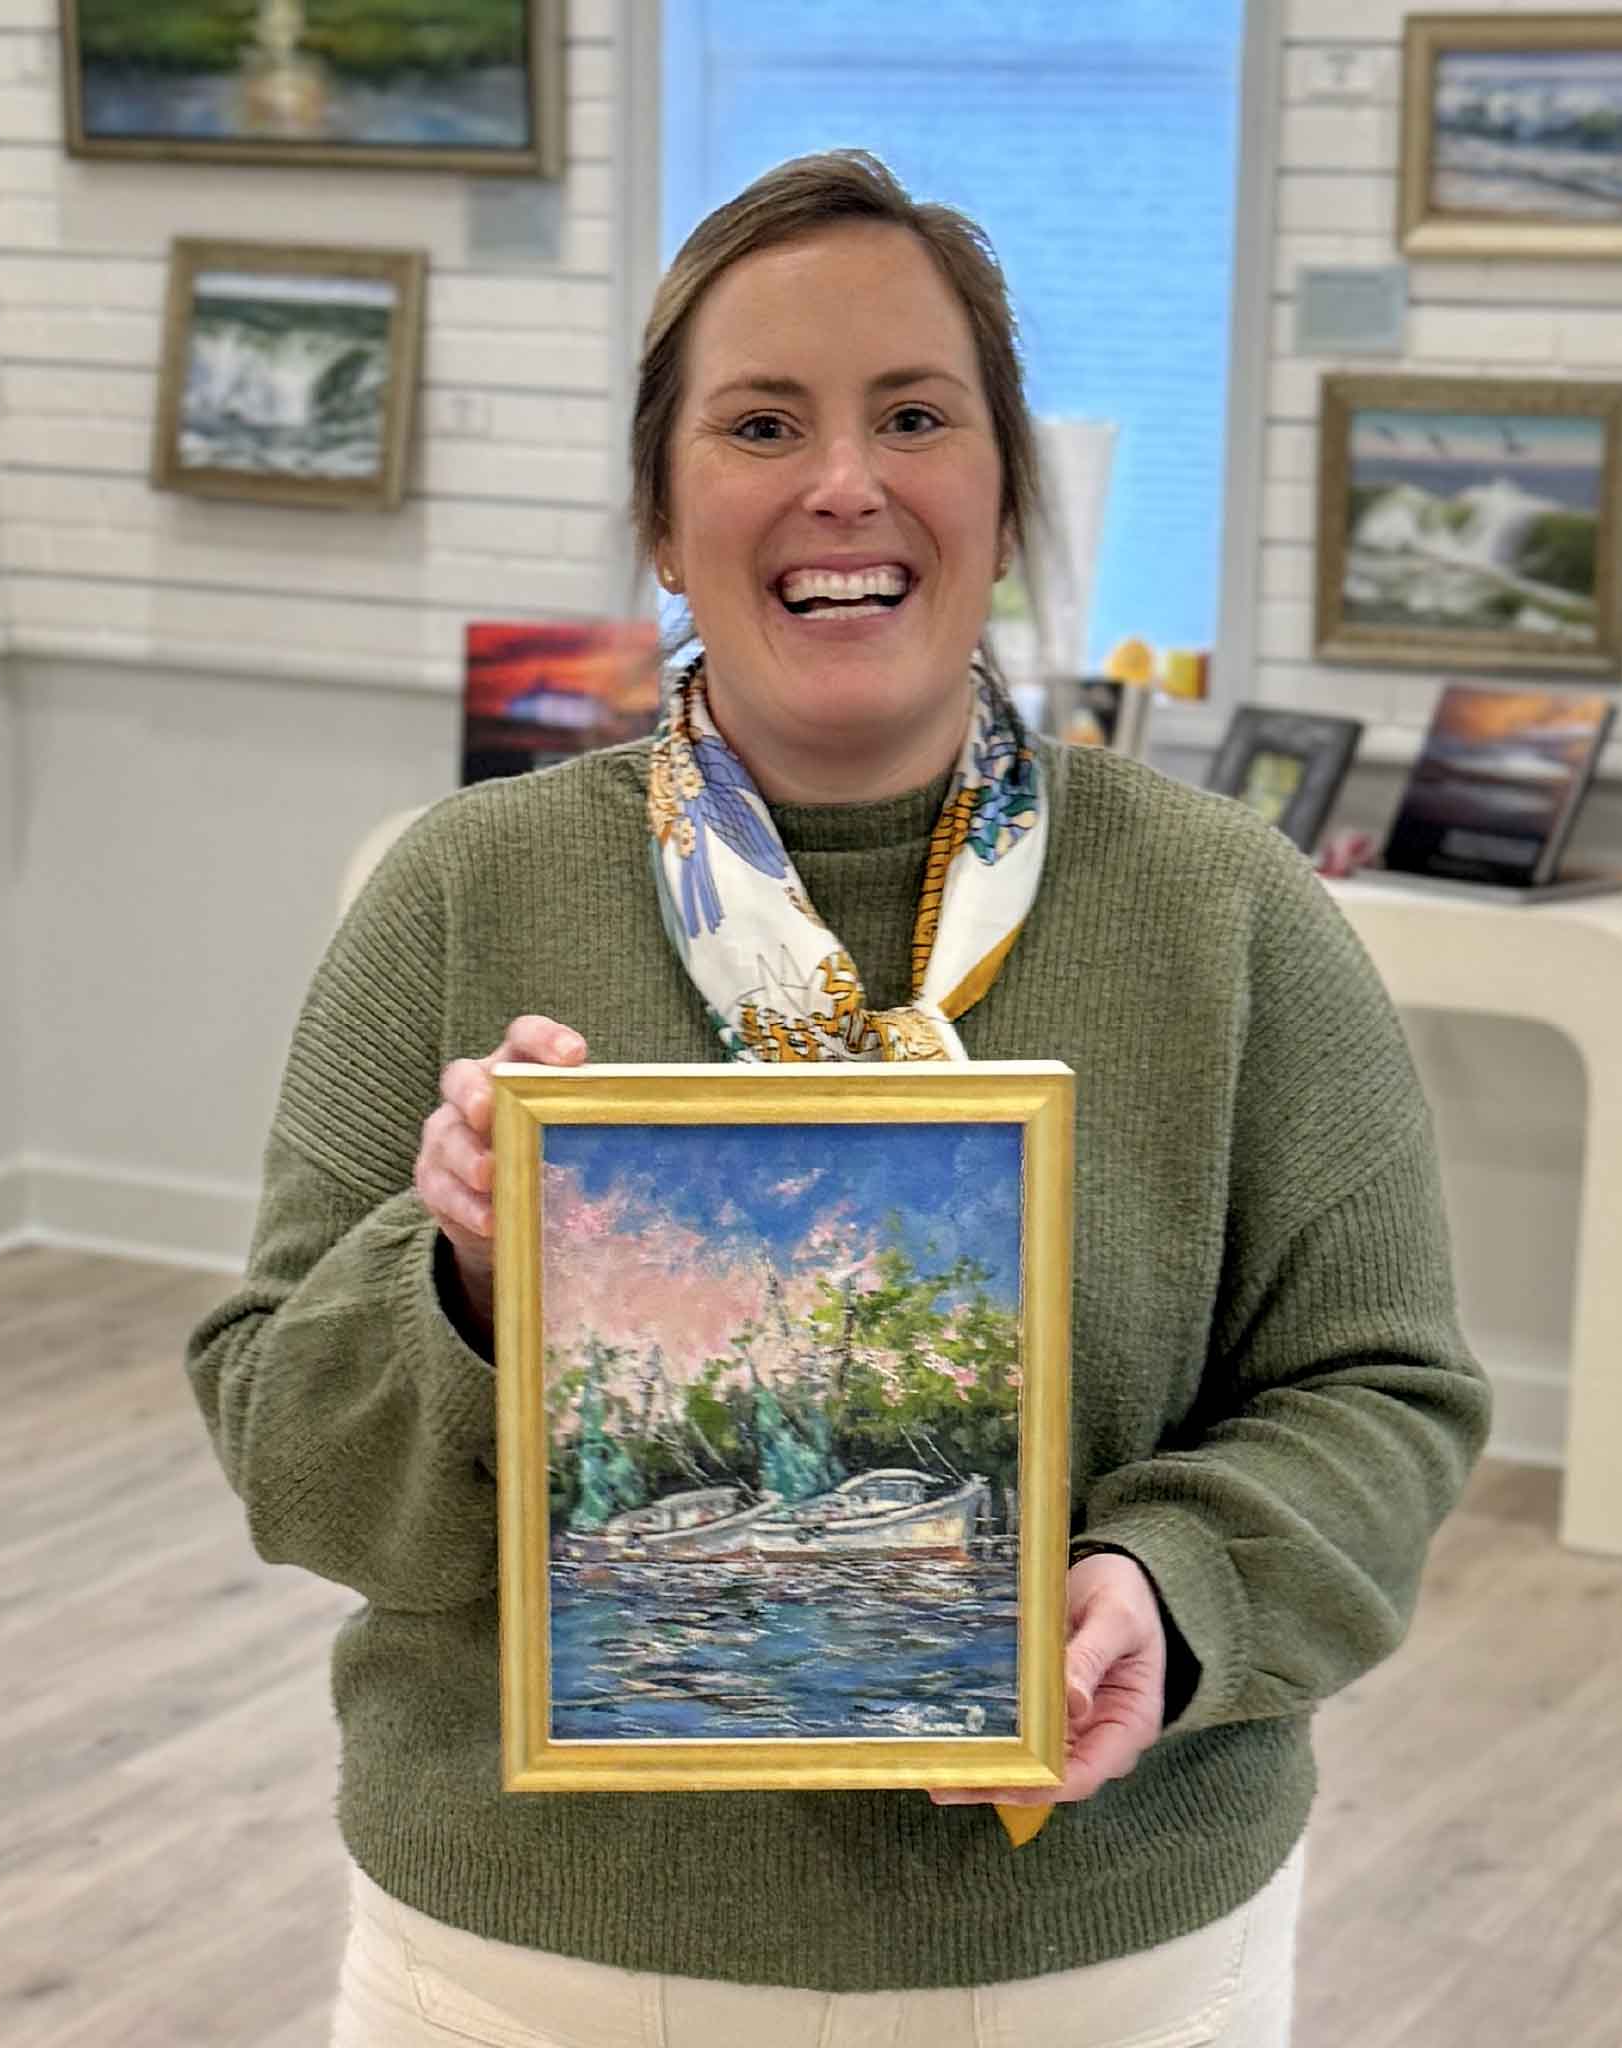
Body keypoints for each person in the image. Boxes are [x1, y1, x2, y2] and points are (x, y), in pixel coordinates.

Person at [185, 149, 1490, 2047]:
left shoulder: (1230, 912)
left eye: (916, 416)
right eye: (761, 424)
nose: (845, 484)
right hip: (536, 1962)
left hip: (1098, 1961)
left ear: (1007, 496)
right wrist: (466, 1285)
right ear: (661, 515)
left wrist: (1174, 1584)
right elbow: (287, 1457)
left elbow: (1385, 1393)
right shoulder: (458, 892)